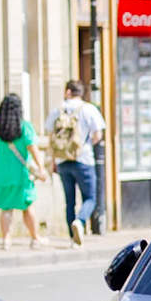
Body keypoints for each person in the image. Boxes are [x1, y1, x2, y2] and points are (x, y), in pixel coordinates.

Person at [0, 93, 45, 250]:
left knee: (6, 208)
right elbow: (32, 148)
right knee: (27, 206)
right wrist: (41, 168)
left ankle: (6, 240)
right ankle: (35, 238)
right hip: (21, 173)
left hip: (1, 172)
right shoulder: (24, 127)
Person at [47, 81, 106, 246]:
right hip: (84, 159)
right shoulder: (88, 109)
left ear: (68, 92)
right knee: (90, 198)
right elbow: (98, 135)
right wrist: (85, 144)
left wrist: (53, 161)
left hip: (62, 161)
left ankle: (73, 238)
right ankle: (80, 222)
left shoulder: (57, 109)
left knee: (69, 201)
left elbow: (51, 136)